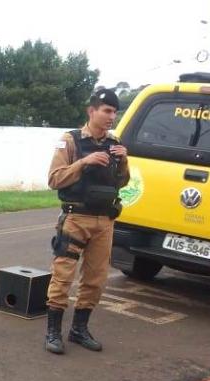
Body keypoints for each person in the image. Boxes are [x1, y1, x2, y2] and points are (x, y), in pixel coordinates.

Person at [44, 88, 130, 354]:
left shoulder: (114, 143)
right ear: (91, 111)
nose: (112, 117)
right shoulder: (70, 141)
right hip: (76, 218)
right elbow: (54, 179)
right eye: (107, 111)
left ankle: (79, 329)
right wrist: (84, 162)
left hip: (104, 220)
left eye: (115, 112)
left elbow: (122, 182)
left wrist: (124, 161)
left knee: (95, 279)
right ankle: (53, 332)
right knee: (63, 276)